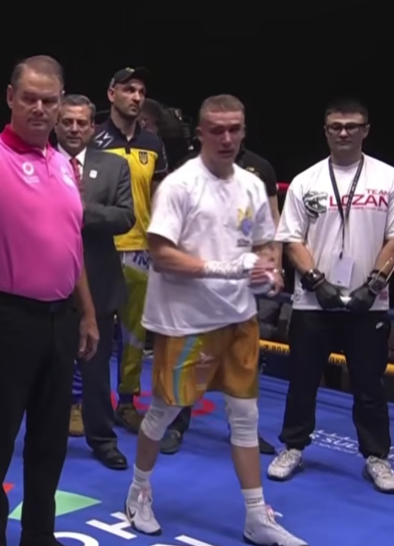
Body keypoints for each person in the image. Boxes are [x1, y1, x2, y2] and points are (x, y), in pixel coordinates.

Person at [125, 95, 306, 546]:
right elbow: (161, 255)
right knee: (164, 412)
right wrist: (228, 269)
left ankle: (256, 516)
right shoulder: (180, 185)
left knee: (245, 418)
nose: (227, 138)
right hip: (186, 322)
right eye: (218, 130)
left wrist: (269, 271)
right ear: (201, 133)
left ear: (244, 131)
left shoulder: (252, 184)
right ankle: (139, 490)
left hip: (239, 318)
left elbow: (265, 242)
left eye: (234, 129)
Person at [0, 55, 99, 546]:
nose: (39, 108)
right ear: (11, 98)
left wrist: (88, 312)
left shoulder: (64, 164)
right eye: (29, 98)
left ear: (61, 104)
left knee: (50, 440)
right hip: (5, 318)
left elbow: (71, 246)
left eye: (48, 100)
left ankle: (39, 535)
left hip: (61, 318)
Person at [268, 98, 394, 494]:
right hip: (312, 301)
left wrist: (374, 285)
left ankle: (377, 456)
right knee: (303, 379)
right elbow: (292, 239)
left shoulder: (389, 179)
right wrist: (316, 281)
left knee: (369, 384)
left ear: (366, 130)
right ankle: (293, 446)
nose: (344, 132)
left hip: (369, 303)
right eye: (336, 126)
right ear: (325, 131)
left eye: (352, 125)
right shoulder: (306, 181)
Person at [161, 144, 282, 456]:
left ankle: (244, 429)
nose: (227, 135)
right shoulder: (189, 165)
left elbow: (272, 219)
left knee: (242, 358)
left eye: (234, 127)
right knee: (189, 354)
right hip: (198, 278)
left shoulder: (259, 168)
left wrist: (275, 266)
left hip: (243, 280)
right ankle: (176, 424)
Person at [56, 93, 134, 470]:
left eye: (81, 123)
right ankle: (47, 436)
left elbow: (125, 218)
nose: (74, 129)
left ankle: (102, 438)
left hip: (99, 283)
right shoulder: (40, 161)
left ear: (92, 127)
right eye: (67, 122)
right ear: (56, 124)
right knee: (47, 371)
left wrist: (79, 211)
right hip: (49, 283)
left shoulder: (114, 165)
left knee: (96, 371)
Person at [92, 68, 168, 432]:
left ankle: (126, 401)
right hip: (100, 248)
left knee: (135, 334)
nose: (136, 97)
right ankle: (82, 401)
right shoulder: (92, 139)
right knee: (90, 327)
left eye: (140, 91)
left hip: (141, 250)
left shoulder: (153, 143)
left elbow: (162, 198)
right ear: (111, 94)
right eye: (128, 89)